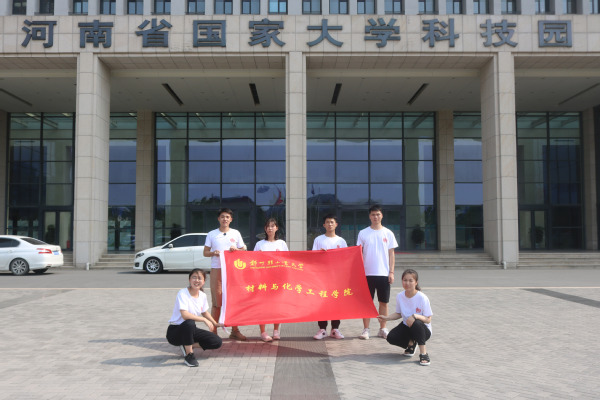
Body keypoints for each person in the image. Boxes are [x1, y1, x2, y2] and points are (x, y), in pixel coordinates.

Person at [203, 208, 247, 341]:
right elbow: (205, 252)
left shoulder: (236, 233)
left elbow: (244, 249)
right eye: (222, 217)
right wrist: (213, 253)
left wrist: (236, 249)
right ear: (218, 219)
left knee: (234, 301)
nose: (225, 219)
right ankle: (213, 332)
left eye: (227, 217)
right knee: (217, 302)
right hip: (217, 270)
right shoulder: (212, 234)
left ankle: (235, 331)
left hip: (233, 271)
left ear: (231, 219)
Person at [356, 204, 398, 340]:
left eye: (378, 214)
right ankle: (366, 329)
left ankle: (382, 328)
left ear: (382, 216)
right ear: (369, 216)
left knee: (383, 302)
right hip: (367, 274)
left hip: (383, 274)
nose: (375, 217)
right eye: (373, 214)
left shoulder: (388, 233)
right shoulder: (363, 233)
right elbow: (358, 253)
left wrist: (391, 272)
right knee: (366, 303)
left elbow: (391, 254)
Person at [166, 269, 223, 367]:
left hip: (190, 330)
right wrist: (204, 320)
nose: (197, 280)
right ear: (189, 280)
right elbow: (185, 315)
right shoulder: (183, 293)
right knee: (190, 322)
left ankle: (187, 345)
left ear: (203, 281)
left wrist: (215, 323)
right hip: (175, 332)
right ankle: (189, 355)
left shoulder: (203, 295)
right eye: (194, 277)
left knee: (216, 341)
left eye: (200, 278)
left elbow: (204, 312)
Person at [377, 269, 433, 366]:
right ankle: (411, 344)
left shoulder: (422, 297)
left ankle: (423, 353)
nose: (407, 283)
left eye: (411, 281)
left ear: (416, 282)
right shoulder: (400, 296)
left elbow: (428, 319)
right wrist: (386, 318)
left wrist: (415, 316)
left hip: (423, 331)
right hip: (407, 327)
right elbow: (398, 313)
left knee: (416, 323)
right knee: (391, 337)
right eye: (405, 280)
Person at [312, 213, 347, 340]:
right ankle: (322, 329)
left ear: (336, 224)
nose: (330, 224)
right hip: (322, 277)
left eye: (332, 222)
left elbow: (346, 258)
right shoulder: (318, 240)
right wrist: (320, 254)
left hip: (336, 277)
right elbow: (313, 258)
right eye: (327, 222)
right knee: (322, 302)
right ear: (324, 225)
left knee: (336, 302)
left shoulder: (341, 241)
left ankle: (335, 329)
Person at [253, 218, 288, 341]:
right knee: (262, 306)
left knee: (277, 305)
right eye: (268, 226)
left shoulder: (282, 244)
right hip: (263, 279)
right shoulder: (259, 244)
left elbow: (287, 260)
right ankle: (263, 332)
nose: (270, 228)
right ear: (265, 228)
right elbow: (253, 262)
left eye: (272, 226)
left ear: (276, 228)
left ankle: (276, 331)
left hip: (278, 279)